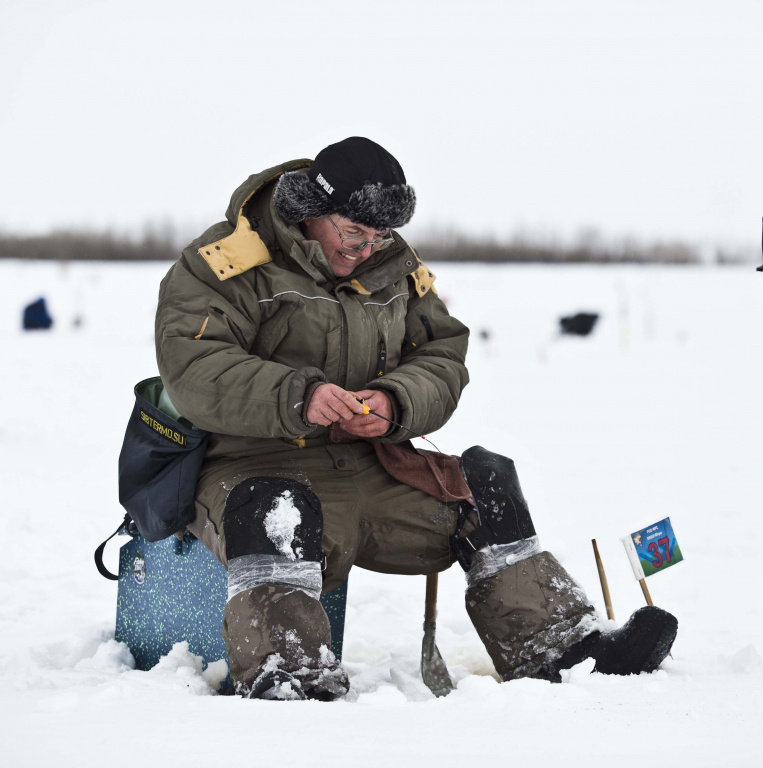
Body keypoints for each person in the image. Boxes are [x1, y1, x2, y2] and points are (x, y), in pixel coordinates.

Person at [155, 137, 677, 700]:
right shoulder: (227, 260)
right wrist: (297, 396)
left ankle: (560, 648)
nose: (365, 249)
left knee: (484, 484)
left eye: (377, 236)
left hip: (369, 464)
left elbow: (443, 353)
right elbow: (193, 365)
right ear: (312, 211)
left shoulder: (394, 266)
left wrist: (396, 401)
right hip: (247, 464)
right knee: (274, 511)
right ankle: (289, 677)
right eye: (353, 233)